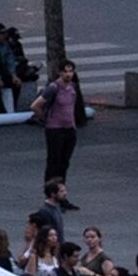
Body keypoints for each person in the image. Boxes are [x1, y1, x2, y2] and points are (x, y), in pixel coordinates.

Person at [35, 49, 89, 198]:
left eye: (71, 71)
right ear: (60, 73)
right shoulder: (53, 88)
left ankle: (61, 193)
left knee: (64, 162)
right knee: (54, 162)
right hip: (55, 129)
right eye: (65, 72)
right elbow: (36, 105)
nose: (68, 74)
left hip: (69, 128)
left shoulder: (73, 87)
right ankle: (50, 193)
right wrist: (45, 119)